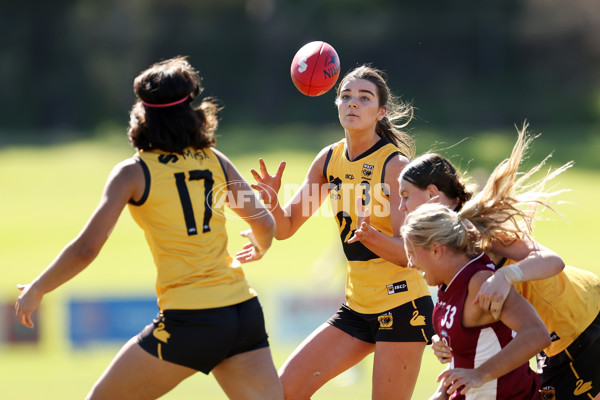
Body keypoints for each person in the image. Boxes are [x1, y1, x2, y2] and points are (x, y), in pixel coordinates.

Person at [14, 56, 284, 400]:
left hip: (190, 321)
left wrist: (38, 288)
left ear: (143, 114)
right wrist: (260, 246)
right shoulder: (215, 160)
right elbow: (264, 223)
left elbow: (87, 248)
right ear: (193, 112)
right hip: (242, 314)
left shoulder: (133, 172)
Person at [357, 124, 600, 399]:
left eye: (405, 196)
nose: (401, 207)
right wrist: (447, 340)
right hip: (551, 339)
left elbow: (553, 261)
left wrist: (505, 276)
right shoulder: (444, 249)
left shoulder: (475, 229)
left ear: (432, 195)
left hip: (579, 321)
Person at [250, 65, 434, 399]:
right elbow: (286, 228)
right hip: (356, 307)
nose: (353, 103)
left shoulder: (394, 166)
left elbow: (412, 255)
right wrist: (273, 203)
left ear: (381, 112)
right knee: (283, 391)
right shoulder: (328, 160)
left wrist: (370, 237)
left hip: (403, 305)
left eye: (364, 98)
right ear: (335, 104)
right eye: (346, 96)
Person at [401, 202, 551, 399]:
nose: (410, 264)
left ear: (436, 250)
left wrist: (481, 374)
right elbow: (470, 352)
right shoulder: (447, 282)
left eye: (412, 254)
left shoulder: (480, 282)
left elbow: (537, 334)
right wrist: (442, 393)